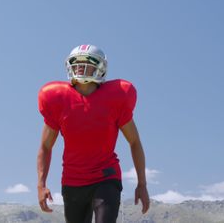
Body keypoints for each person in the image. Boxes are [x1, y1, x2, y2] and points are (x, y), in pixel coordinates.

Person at [37, 44, 150, 223]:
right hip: (73, 179)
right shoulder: (58, 99)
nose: (80, 67)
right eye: (77, 63)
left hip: (106, 177)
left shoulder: (116, 98)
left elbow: (134, 141)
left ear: (100, 68)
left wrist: (142, 184)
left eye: (87, 63)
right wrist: (41, 184)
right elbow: (45, 146)